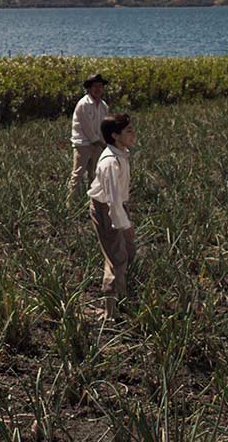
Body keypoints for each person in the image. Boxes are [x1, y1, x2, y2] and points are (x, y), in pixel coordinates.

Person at [88, 113, 137, 318]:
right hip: (106, 209)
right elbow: (112, 200)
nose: (133, 134)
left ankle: (121, 298)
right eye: (128, 130)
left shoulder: (120, 154)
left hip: (116, 207)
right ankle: (111, 311)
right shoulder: (110, 162)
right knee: (116, 257)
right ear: (115, 135)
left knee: (126, 252)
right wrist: (124, 225)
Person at [68, 73, 110, 194]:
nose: (98, 89)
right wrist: (103, 144)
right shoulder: (84, 104)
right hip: (83, 144)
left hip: (98, 144)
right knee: (78, 174)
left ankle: (93, 203)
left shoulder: (103, 106)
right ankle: (71, 204)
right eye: (95, 86)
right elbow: (88, 130)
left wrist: (104, 142)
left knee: (95, 175)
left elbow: (103, 127)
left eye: (100, 86)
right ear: (89, 88)